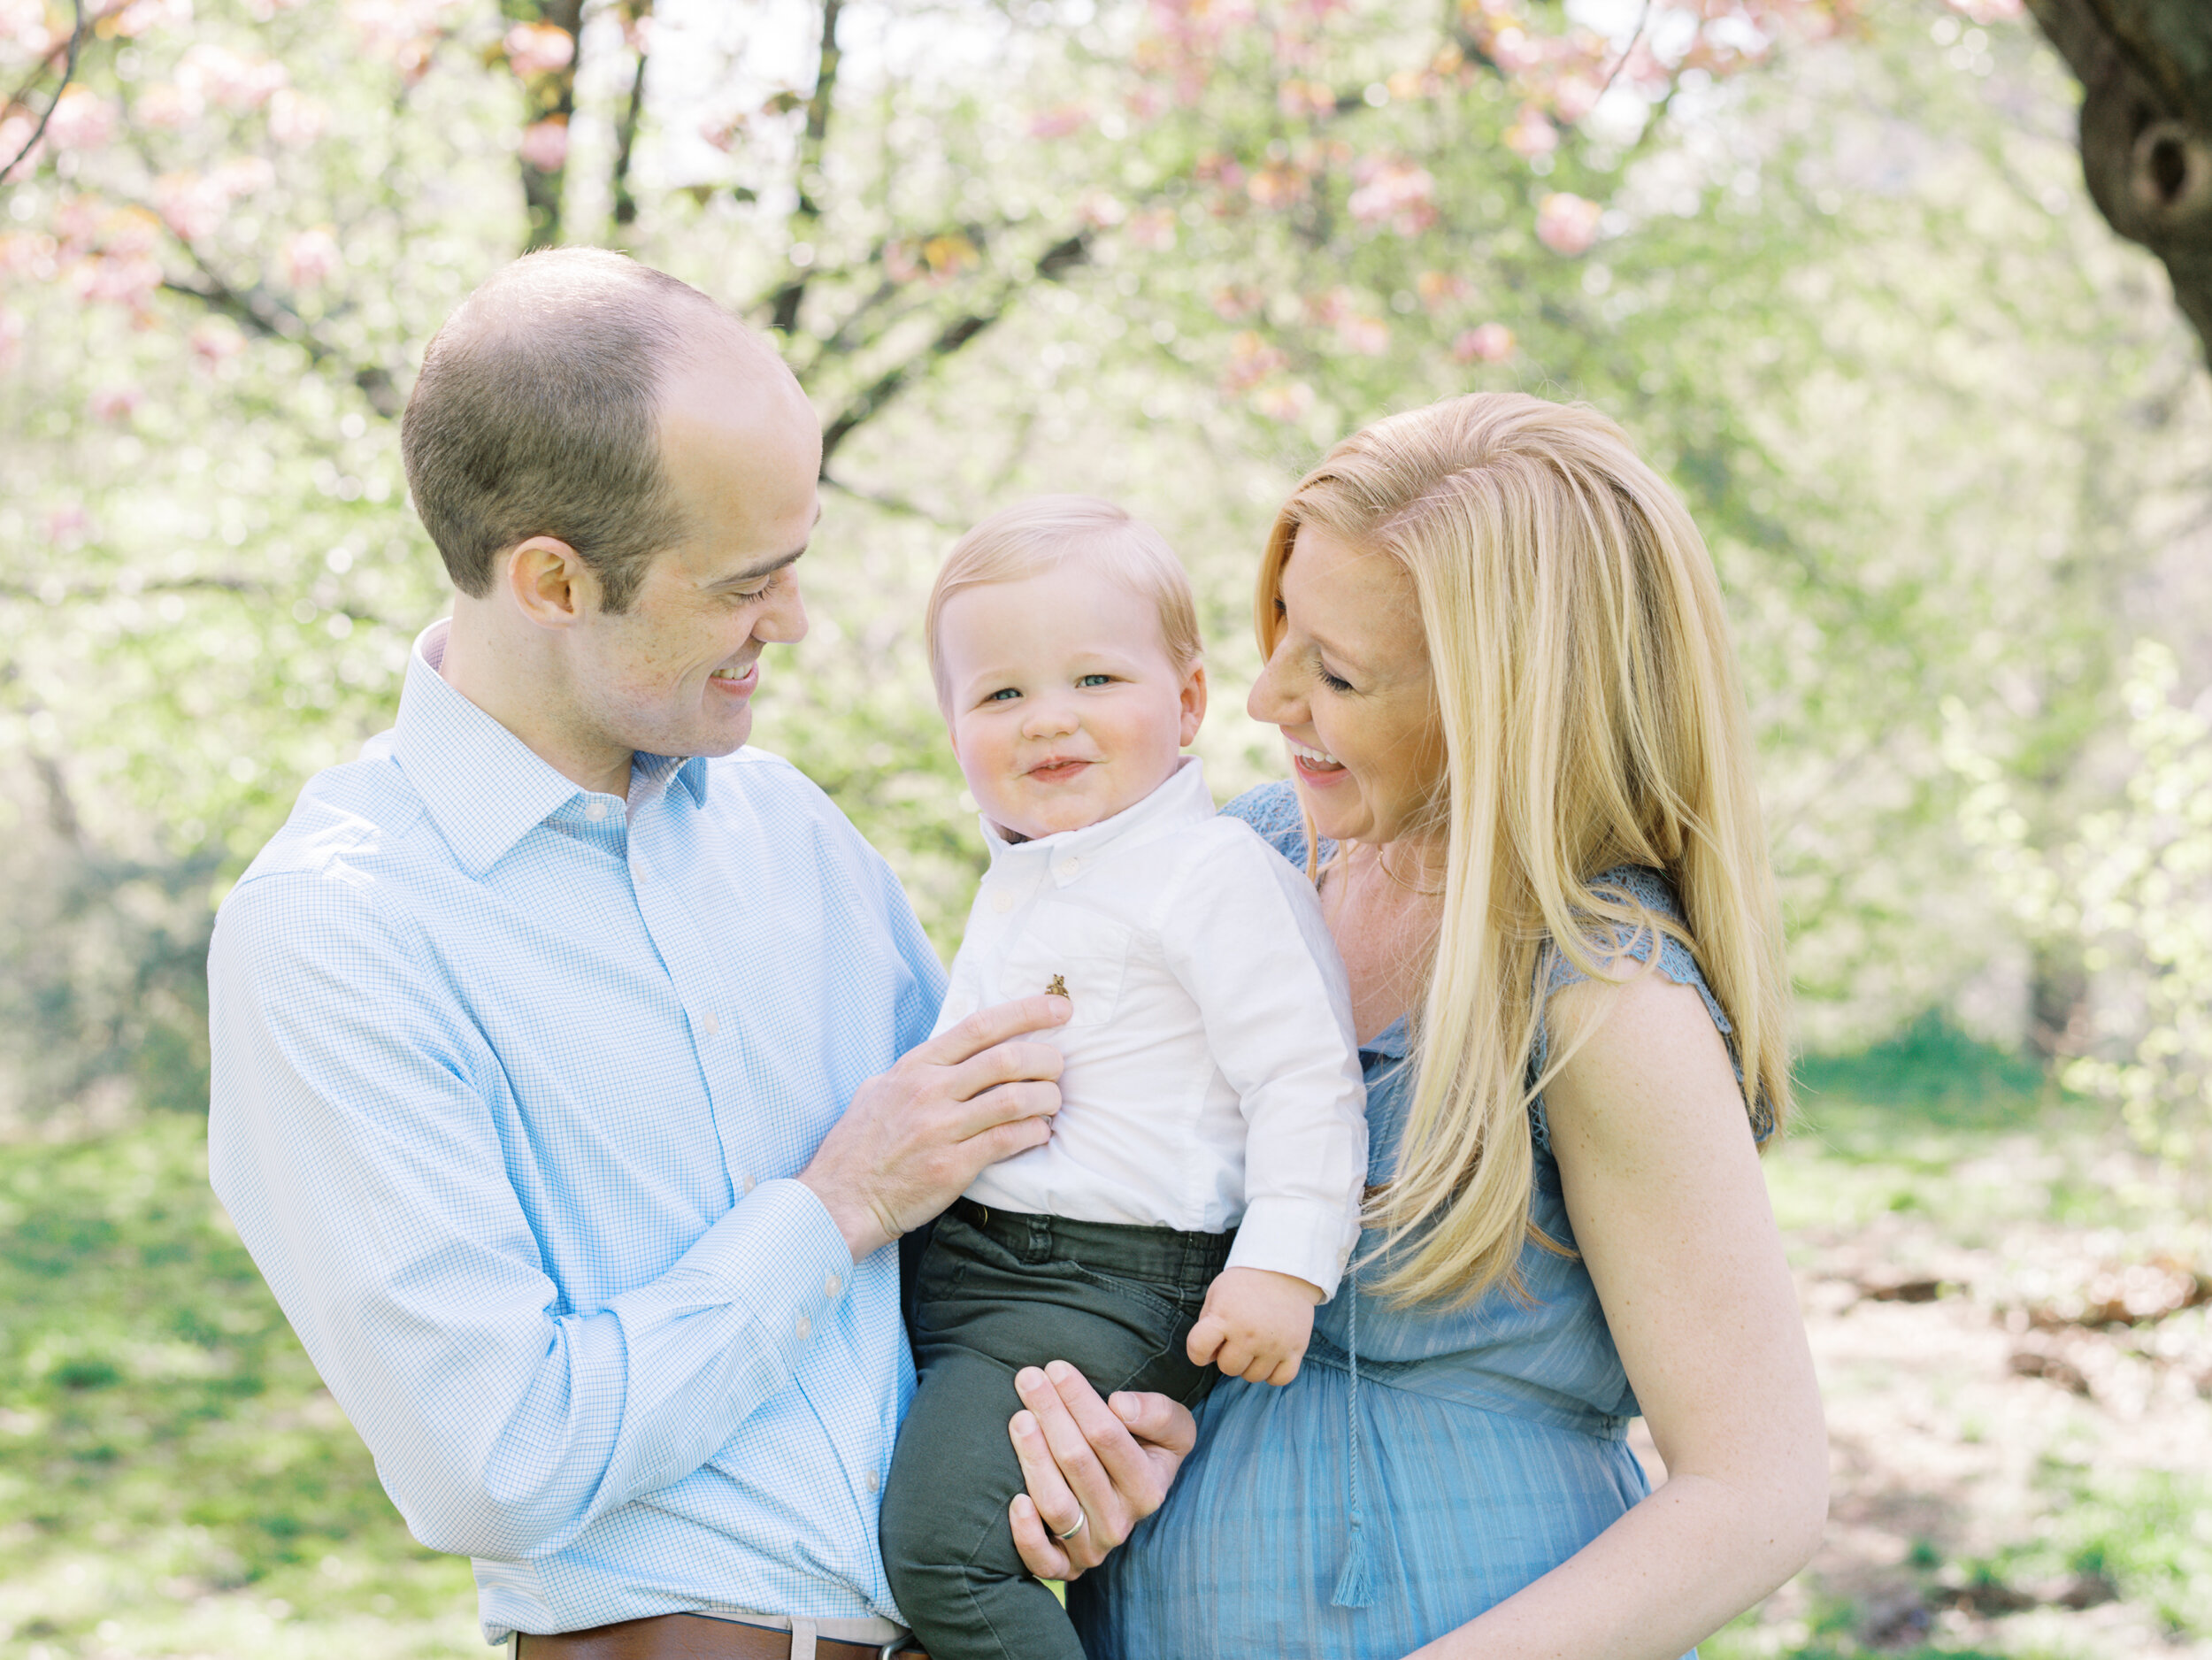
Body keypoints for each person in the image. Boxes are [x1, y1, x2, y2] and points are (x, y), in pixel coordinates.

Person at [204, 249, 1191, 1660]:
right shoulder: (340, 932)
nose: (788, 623)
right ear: (550, 579)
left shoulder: (790, 831)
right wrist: (833, 1202)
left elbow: (982, 1223)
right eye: (745, 583)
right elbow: (501, 1455)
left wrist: (1082, 1438)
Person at [1067, 393, 1830, 1659]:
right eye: (1278, 632)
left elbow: (1758, 1494)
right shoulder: (1238, 868)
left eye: (1338, 674)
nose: (1264, 699)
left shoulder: (1599, 993)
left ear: (1503, 706)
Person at [877, 496, 1368, 1660]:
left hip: (1102, 1281)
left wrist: (1283, 1268)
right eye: (1002, 695)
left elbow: (1303, 1080)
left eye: (1096, 681)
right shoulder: (1033, 876)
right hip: (973, 1256)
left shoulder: (1210, 875)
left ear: (1189, 700)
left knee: (946, 1552)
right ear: (954, 730)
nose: (1050, 719)